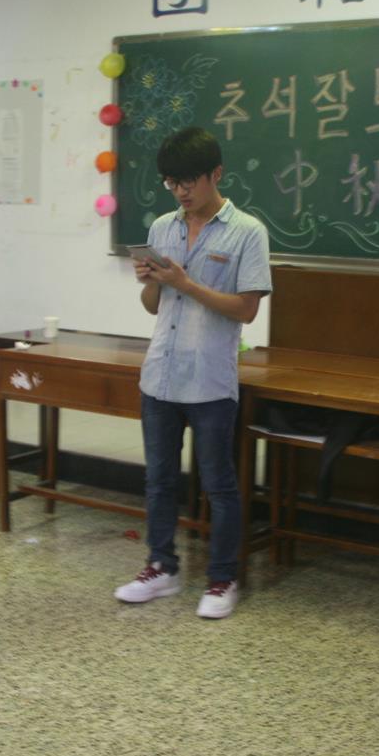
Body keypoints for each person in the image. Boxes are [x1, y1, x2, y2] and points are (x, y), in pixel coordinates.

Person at [113, 126, 272, 619]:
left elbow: (246, 310)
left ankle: (223, 579)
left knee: (218, 485)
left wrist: (185, 282)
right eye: (171, 182)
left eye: (189, 181)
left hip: (209, 380)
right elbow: (153, 305)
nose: (180, 191)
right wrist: (151, 281)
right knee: (159, 480)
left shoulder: (247, 231)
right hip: (160, 374)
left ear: (215, 174)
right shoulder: (163, 228)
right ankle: (161, 567)